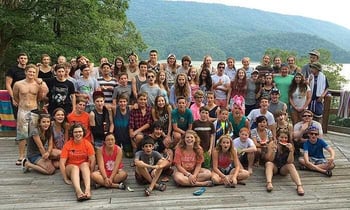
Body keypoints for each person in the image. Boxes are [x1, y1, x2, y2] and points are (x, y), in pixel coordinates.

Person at [12, 64, 48, 165]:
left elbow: (40, 97)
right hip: (23, 110)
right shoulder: (18, 84)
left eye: (33, 72)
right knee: (22, 133)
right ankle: (21, 156)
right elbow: (15, 96)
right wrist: (22, 104)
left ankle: (35, 153)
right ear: (26, 72)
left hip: (34, 109)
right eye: (30, 71)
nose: (31, 74)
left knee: (35, 133)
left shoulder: (37, 85)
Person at [59, 123, 96, 201]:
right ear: (72, 133)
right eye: (75, 132)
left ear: (83, 133)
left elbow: (93, 160)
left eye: (80, 131)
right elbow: (62, 162)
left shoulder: (87, 144)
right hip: (71, 168)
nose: (78, 134)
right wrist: (65, 178)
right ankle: (78, 191)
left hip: (84, 170)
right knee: (75, 167)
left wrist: (91, 173)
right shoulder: (68, 145)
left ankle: (87, 189)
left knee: (85, 164)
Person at [265, 131, 304, 196]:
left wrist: (291, 151)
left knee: (291, 165)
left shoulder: (289, 145)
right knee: (268, 164)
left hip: (283, 168)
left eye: (286, 138)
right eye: (281, 137)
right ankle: (269, 182)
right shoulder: (272, 144)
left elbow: (290, 161)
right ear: (277, 137)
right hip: (274, 166)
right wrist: (274, 151)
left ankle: (299, 185)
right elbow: (270, 159)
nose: (283, 139)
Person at [6, 53, 28, 119]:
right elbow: (8, 84)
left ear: (27, 60)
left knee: (29, 117)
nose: (23, 60)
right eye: (21, 58)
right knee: (18, 117)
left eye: (25, 58)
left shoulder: (30, 70)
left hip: (28, 96)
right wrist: (13, 98)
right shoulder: (12, 70)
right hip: (17, 96)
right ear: (18, 59)